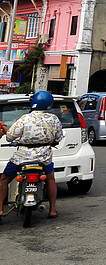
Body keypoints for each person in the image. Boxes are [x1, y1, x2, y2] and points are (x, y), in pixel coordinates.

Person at [0, 91, 64, 221]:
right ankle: (52, 210)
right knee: (50, 180)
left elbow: (10, 137)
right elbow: (58, 137)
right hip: (44, 158)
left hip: (22, 157)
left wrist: (5, 128)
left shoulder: (25, 118)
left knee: (4, 180)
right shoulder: (54, 119)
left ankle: (0, 209)